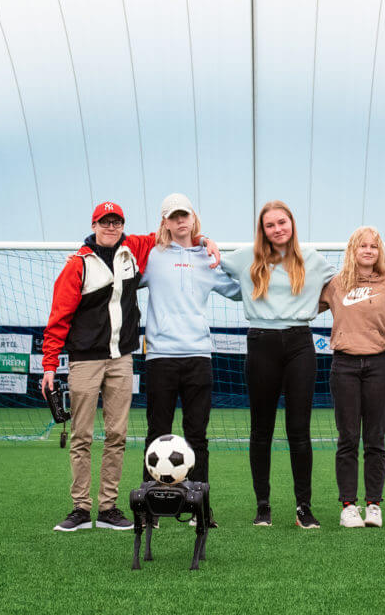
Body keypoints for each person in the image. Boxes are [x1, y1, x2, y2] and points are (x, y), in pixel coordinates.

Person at [41, 201, 219, 532]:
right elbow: (59, 316)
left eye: (116, 222)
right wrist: (49, 364)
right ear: (94, 225)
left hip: (122, 358)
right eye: (104, 222)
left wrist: (204, 238)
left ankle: (108, 508)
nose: (111, 227)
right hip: (85, 359)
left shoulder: (135, 249)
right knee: (81, 435)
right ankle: (81, 508)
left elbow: (173, 230)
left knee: (117, 435)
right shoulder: (77, 265)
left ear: (122, 225)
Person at [220, 200, 337, 529]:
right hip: (261, 344)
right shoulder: (247, 257)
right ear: (263, 230)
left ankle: (304, 508)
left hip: (300, 344)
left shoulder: (312, 259)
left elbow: (342, 285)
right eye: (270, 225)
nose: (277, 229)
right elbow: (209, 261)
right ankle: (263, 507)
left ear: (292, 224)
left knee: (299, 431)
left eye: (282, 222)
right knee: (261, 430)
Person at [140, 193, 241, 527]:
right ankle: (152, 509)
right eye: (173, 216)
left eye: (184, 215)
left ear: (193, 218)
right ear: (165, 222)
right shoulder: (152, 256)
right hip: (160, 358)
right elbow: (122, 274)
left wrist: (218, 253)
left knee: (197, 436)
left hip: (198, 356)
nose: (180, 221)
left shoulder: (207, 258)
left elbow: (240, 290)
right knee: (157, 434)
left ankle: (201, 509)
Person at [318, 226, 385, 528]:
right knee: (348, 438)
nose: (368, 251)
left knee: (375, 440)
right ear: (352, 250)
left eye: (374, 247)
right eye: (362, 246)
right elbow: (303, 305)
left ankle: (374, 505)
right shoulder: (336, 284)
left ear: (380, 252)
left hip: (379, 365)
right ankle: (348, 506)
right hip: (344, 366)